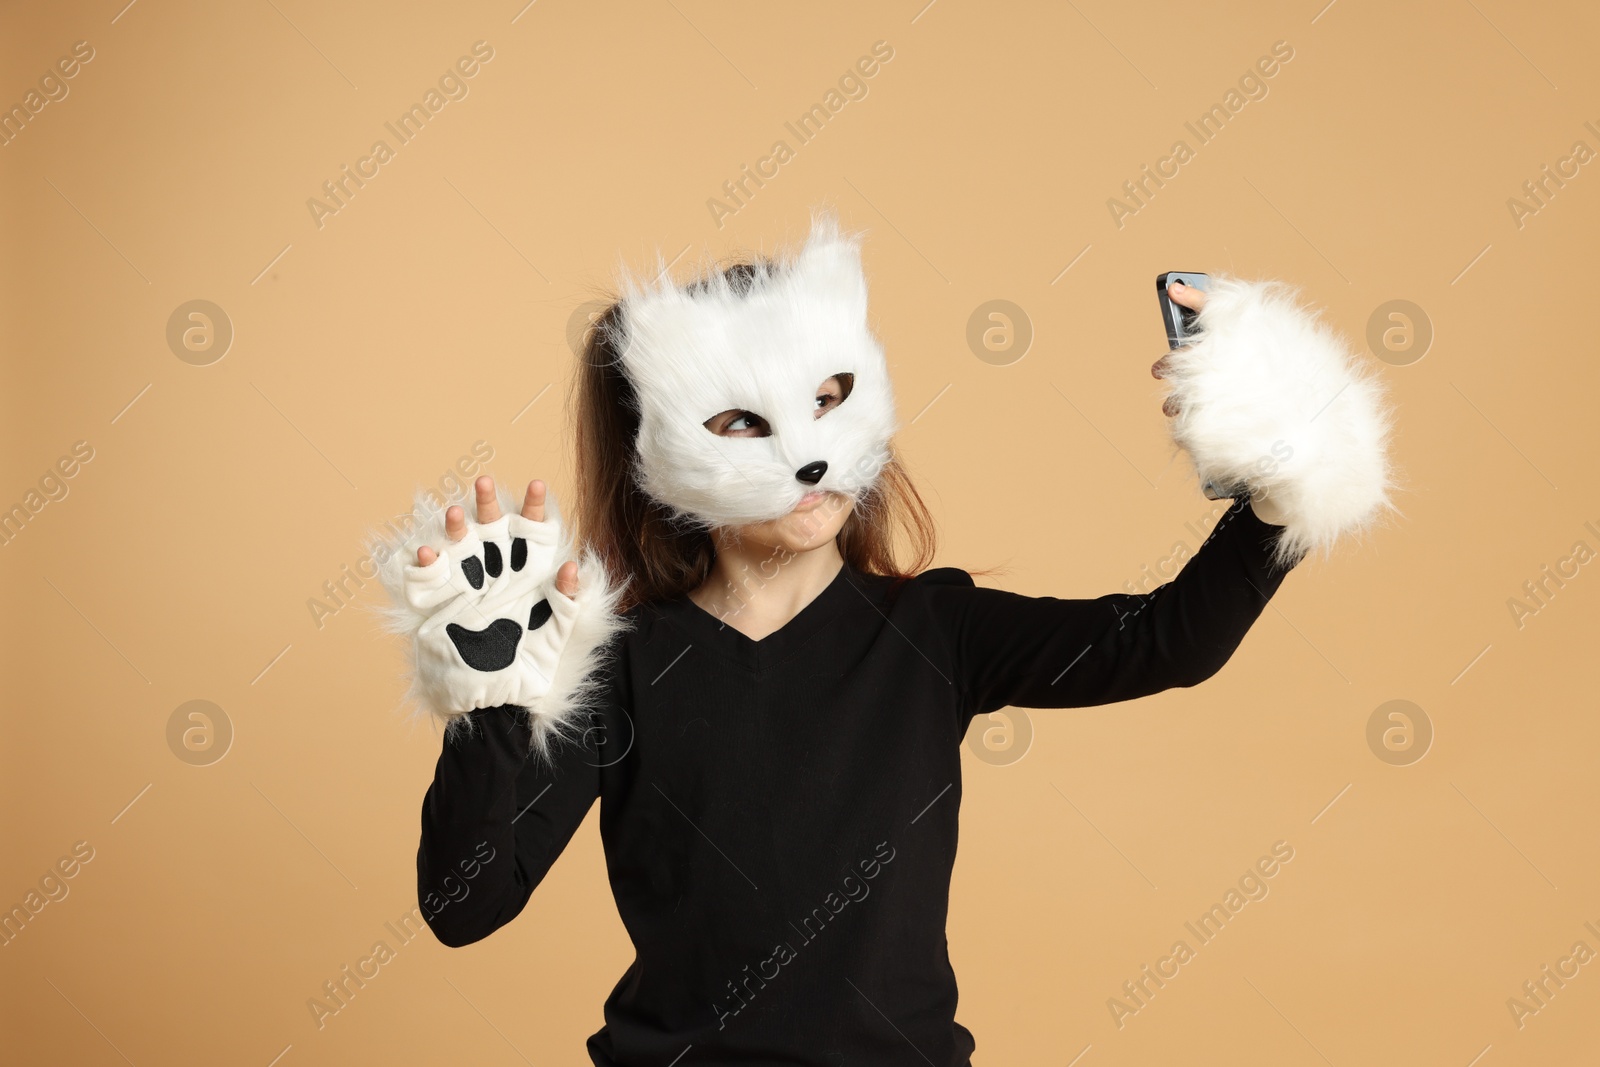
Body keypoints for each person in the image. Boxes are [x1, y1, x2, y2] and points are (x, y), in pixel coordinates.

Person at [369, 209, 1395, 1065]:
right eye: (745, 422)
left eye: (827, 400)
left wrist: (1281, 480)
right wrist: (488, 703)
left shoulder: (933, 630)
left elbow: (1167, 641)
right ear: (663, 444)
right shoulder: (621, 666)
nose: (807, 450)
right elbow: (467, 905)